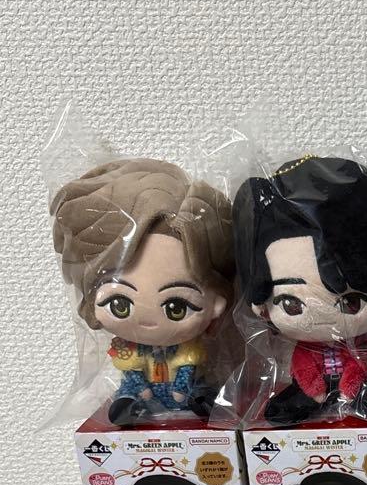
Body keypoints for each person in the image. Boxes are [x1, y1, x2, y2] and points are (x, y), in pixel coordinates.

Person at [51, 159, 234, 426]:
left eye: (176, 307)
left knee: (200, 388)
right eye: (120, 304)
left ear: (217, 303)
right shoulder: (129, 350)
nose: (148, 320)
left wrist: (180, 390)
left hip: (182, 391)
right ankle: (129, 406)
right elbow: (133, 373)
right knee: (128, 391)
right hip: (142, 392)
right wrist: (142, 389)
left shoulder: (187, 349)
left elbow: (187, 369)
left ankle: (199, 402)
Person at [233, 156, 367, 425]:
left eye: (351, 302)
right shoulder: (305, 347)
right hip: (312, 390)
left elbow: (359, 365)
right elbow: (303, 366)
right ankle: (309, 399)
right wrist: (314, 389)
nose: (322, 316)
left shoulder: (361, 345)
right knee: (295, 397)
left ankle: (361, 397)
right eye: (291, 304)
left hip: (355, 386)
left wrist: (349, 387)